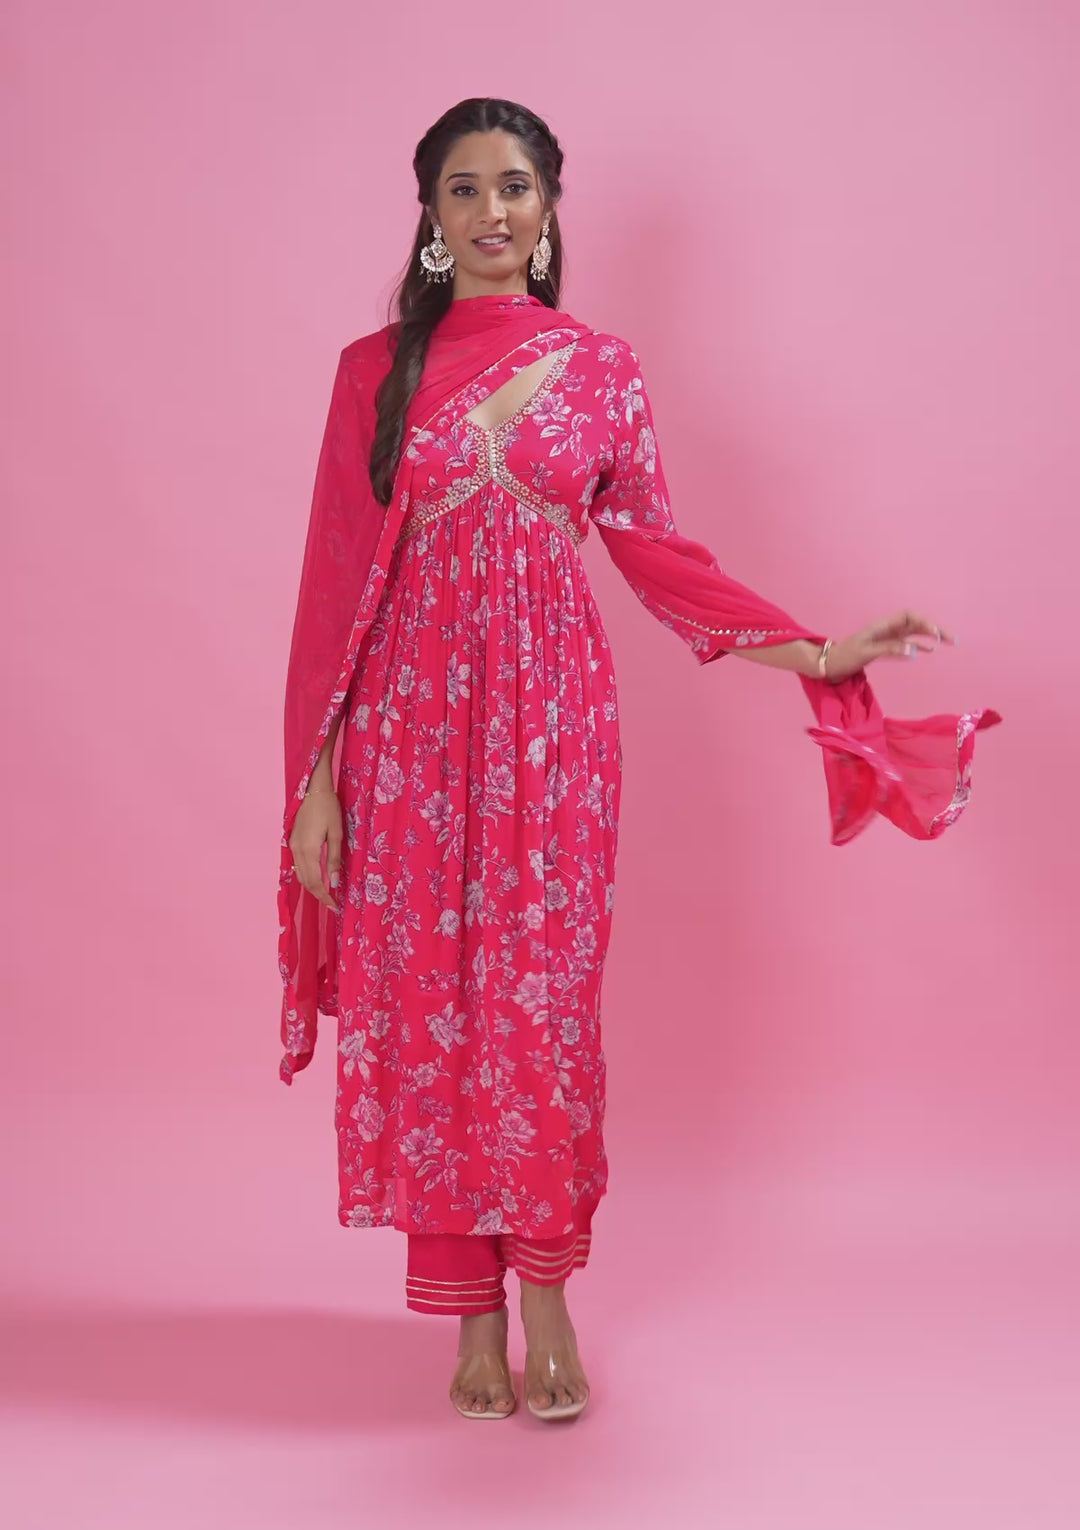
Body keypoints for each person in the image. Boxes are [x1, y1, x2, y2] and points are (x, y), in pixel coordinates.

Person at [277, 97, 1000, 1424]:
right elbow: (334, 586)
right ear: (429, 215)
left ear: (551, 206)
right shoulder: (370, 370)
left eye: (514, 186)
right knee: (430, 1017)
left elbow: (661, 557)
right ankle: (470, 1323)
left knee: (540, 1016)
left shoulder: (603, 370)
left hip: (554, 737)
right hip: (407, 740)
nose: (492, 212)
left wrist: (821, 645)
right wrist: (316, 784)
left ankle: (549, 1297)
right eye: (462, 190)